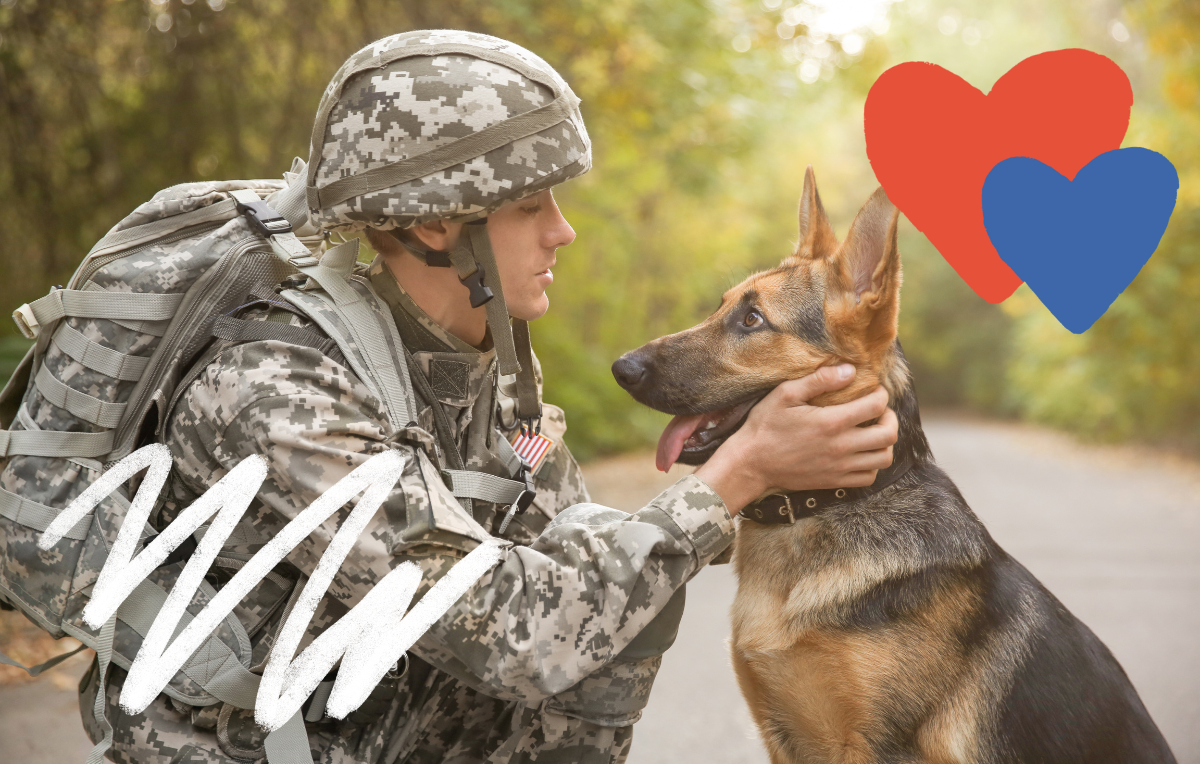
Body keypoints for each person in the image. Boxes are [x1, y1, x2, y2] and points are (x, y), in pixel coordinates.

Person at [77, 29, 898, 764]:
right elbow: (513, 632)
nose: (562, 232)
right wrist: (736, 478)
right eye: (531, 205)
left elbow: (567, 538)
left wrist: (787, 470)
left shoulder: (478, 368)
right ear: (439, 228)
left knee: (620, 602)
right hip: (255, 746)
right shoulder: (278, 392)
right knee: (593, 611)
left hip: (374, 716)